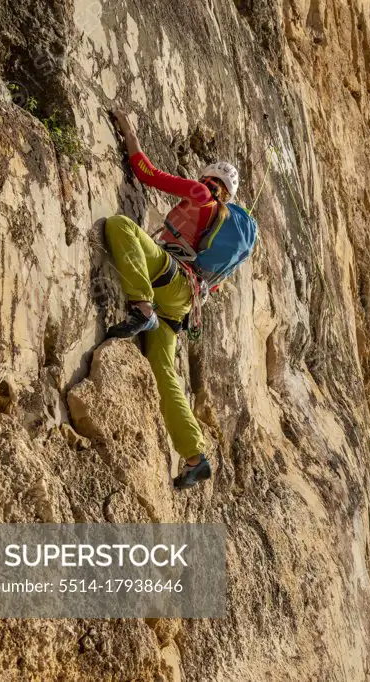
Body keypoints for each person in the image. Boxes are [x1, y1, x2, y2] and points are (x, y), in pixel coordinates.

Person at [105, 109, 248, 490]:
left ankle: (140, 307)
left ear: (210, 179)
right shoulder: (227, 234)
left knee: (120, 226)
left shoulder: (202, 193)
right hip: (186, 302)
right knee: (164, 369)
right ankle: (195, 457)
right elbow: (212, 284)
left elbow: (147, 174)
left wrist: (128, 132)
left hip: (168, 281)